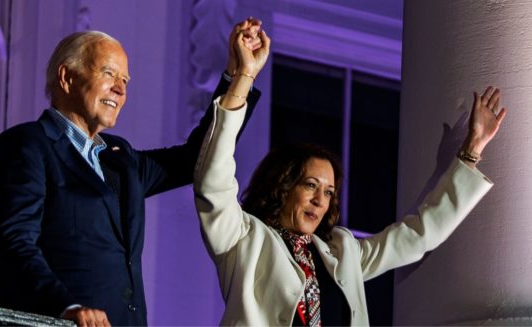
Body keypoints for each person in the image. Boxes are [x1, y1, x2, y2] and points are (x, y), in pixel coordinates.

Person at [192, 30, 507, 325]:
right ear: (282, 187)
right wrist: (244, 77)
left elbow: (418, 236)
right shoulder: (244, 239)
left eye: (329, 192)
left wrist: (471, 151)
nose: (320, 200)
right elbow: (213, 179)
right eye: (311, 185)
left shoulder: (342, 251)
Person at [0, 18, 265, 327]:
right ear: (66, 78)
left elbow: (194, 158)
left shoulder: (120, 159)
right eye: (108, 74)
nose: (120, 88)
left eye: (125, 81)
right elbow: (15, 246)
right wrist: (66, 307)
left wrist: (241, 75)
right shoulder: (27, 145)